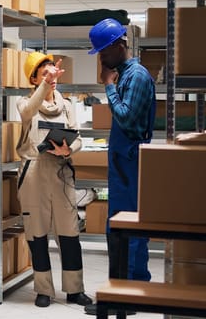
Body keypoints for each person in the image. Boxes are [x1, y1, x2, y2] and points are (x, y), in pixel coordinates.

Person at [83, 18, 156, 316]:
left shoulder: (136, 76)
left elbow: (125, 118)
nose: (101, 58)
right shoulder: (124, 73)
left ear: (118, 45)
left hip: (131, 160)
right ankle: (130, 290)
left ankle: (127, 295)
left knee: (126, 228)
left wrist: (109, 88)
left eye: (103, 52)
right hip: (123, 161)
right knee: (125, 228)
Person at [16, 52, 93, 308]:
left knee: (70, 234)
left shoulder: (68, 106)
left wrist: (69, 150)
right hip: (34, 176)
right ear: (34, 79)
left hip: (61, 174)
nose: (51, 78)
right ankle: (43, 290)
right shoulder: (25, 104)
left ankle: (74, 289)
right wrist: (44, 87)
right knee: (37, 235)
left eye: (53, 73)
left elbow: (79, 137)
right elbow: (28, 111)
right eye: (44, 73)